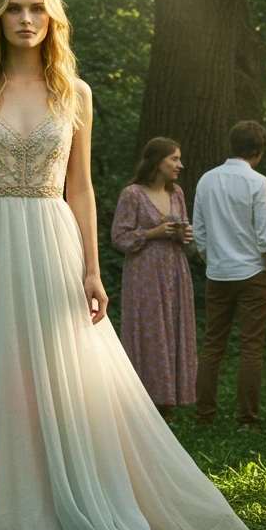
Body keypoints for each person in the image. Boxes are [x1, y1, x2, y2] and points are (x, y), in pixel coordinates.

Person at [0, 0, 251, 530]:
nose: (25, 19)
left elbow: (80, 189)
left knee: (58, 371)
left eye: (36, 9)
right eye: (13, 9)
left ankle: (60, 500)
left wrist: (92, 268)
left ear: (52, 19)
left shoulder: (74, 92)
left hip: (52, 237)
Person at [191, 121, 266, 432]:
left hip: (218, 273)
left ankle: (204, 417)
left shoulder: (206, 180)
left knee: (213, 345)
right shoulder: (258, 182)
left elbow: (198, 231)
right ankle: (247, 420)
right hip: (253, 272)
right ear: (260, 151)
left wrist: (211, 259)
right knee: (251, 346)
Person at [111, 137, 196, 422]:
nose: (179, 165)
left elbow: (182, 229)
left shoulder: (178, 193)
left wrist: (185, 235)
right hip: (144, 271)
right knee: (149, 328)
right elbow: (119, 237)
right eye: (174, 158)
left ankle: (169, 399)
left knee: (172, 327)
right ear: (157, 161)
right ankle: (142, 398)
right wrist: (151, 234)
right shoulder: (132, 194)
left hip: (174, 267)